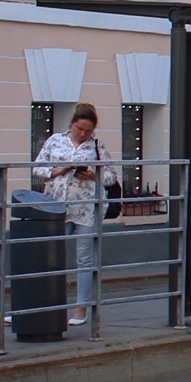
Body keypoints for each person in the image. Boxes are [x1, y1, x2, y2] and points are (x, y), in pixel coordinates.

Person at [34, 102, 109, 325]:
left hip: (87, 209)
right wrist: (58, 170)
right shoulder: (55, 141)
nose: (83, 134)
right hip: (57, 207)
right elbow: (37, 167)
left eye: (88, 131)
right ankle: (41, 305)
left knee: (85, 259)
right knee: (49, 257)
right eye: (79, 129)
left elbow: (111, 177)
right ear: (72, 124)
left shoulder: (97, 146)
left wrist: (94, 175)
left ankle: (81, 310)